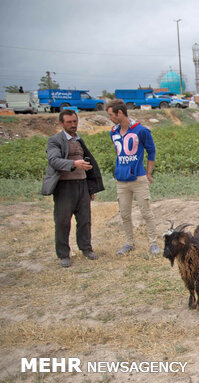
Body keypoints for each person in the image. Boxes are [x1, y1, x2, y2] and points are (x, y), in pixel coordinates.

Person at [41, 109, 105, 267]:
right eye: (69, 122)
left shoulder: (78, 140)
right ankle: (63, 254)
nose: (73, 125)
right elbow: (54, 160)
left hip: (81, 185)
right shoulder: (55, 140)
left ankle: (86, 248)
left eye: (75, 121)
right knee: (63, 221)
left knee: (85, 220)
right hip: (65, 186)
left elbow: (88, 163)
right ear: (61, 123)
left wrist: (90, 188)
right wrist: (74, 164)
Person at [105, 99, 160, 255]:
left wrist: (148, 172)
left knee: (146, 212)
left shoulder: (141, 131)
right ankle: (130, 243)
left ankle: (153, 243)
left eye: (111, 114)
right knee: (124, 214)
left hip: (138, 178)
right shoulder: (113, 132)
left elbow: (151, 151)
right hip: (121, 180)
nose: (110, 118)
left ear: (120, 113)